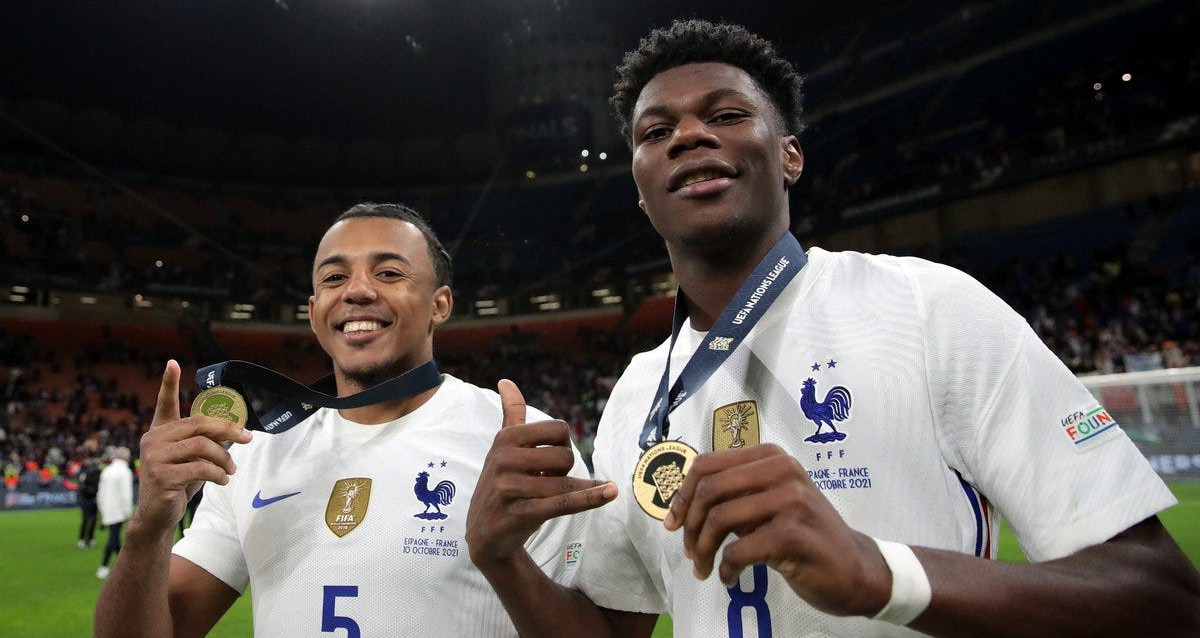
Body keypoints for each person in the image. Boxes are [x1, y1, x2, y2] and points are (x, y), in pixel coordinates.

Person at [465, 19, 1200, 637]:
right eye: (656, 131)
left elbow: (1164, 599)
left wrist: (882, 575)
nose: (687, 135)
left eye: (725, 115)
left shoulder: (928, 306)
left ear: (789, 156)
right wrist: (501, 558)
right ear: (641, 188)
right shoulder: (634, 396)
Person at [95, 203, 594, 637]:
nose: (356, 291)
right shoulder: (253, 450)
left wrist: (504, 559)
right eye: (334, 277)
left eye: (389, 273)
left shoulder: (519, 445)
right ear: (315, 313)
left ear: (439, 304)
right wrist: (149, 527)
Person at [95, 447, 133, 579]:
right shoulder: (124, 471)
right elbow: (125, 494)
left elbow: (100, 492)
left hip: (108, 508)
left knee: (116, 537)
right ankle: (104, 566)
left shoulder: (107, 470)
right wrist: (128, 512)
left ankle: (123, 566)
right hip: (118, 510)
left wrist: (101, 508)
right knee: (114, 537)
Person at [77, 455, 101, 549]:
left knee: (94, 520)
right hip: (86, 499)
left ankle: (90, 539)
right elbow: (81, 486)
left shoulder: (98, 473)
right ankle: (82, 539)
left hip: (94, 499)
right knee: (86, 519)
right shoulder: (84, 472)